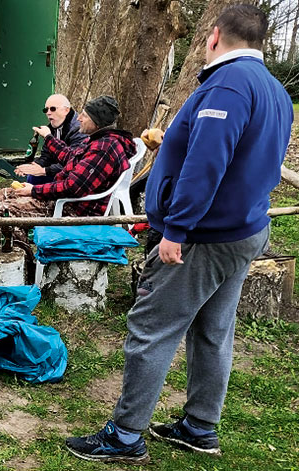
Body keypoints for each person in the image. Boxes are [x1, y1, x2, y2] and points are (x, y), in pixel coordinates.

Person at [65, 5, 293, 465]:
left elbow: (206, 164)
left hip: (204, 236)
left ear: (213, 37)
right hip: (245, 228)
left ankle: (125, 436)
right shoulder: (275, 90)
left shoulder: (227, 86)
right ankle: (199, 426)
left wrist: (177, 229)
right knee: (213, 330)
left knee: (151, 327)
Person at [0, 95, 134, 243]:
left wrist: (34, 190)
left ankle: (17, 259)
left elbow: (72, 187)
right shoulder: (97, 140)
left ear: (97, 122)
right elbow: (70, 155)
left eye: (84, 115)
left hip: (73, 210)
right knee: (5, 193)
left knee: (3, 209)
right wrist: (48, 138)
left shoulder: (103, 149)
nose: (79, 119)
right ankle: (15, 246)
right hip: (66, 199)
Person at [16, 94, 87, 185]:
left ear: (66, 110)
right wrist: (33, 166)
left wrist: (44, 170)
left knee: (37, 178)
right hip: (57, 170)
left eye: (53, 109)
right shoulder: (52, 127)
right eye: (46, 110)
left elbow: (75, 163)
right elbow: (46, 156)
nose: (48, 113)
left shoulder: (78, 129)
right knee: (33, 176)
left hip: (74, 177)